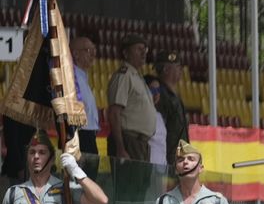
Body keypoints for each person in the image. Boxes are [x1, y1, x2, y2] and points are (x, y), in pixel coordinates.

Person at [105, 34, 157, 163]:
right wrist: (120, 147)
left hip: (140, 143)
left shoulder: (137, 77)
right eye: (139, 49)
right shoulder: (124, 75)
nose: (143, 53)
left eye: (145, 49)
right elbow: (114, 113)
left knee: (139, 183)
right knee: (129, 182)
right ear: (126, 53)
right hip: (128, 141)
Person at [69, 33, 102, 178]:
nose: (93, 55)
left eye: (94, 50)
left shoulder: (82, 76)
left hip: (89, 135)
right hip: (80, 136)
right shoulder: (72, 77)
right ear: (76, 54)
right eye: (88, 51)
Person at [149, 52, 190, 169]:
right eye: (177, 66)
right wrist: (151, 80)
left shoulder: (174, 95)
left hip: (178, 156)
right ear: (166, 69)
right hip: (165, 157)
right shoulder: (159, 92)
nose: (181, 69)